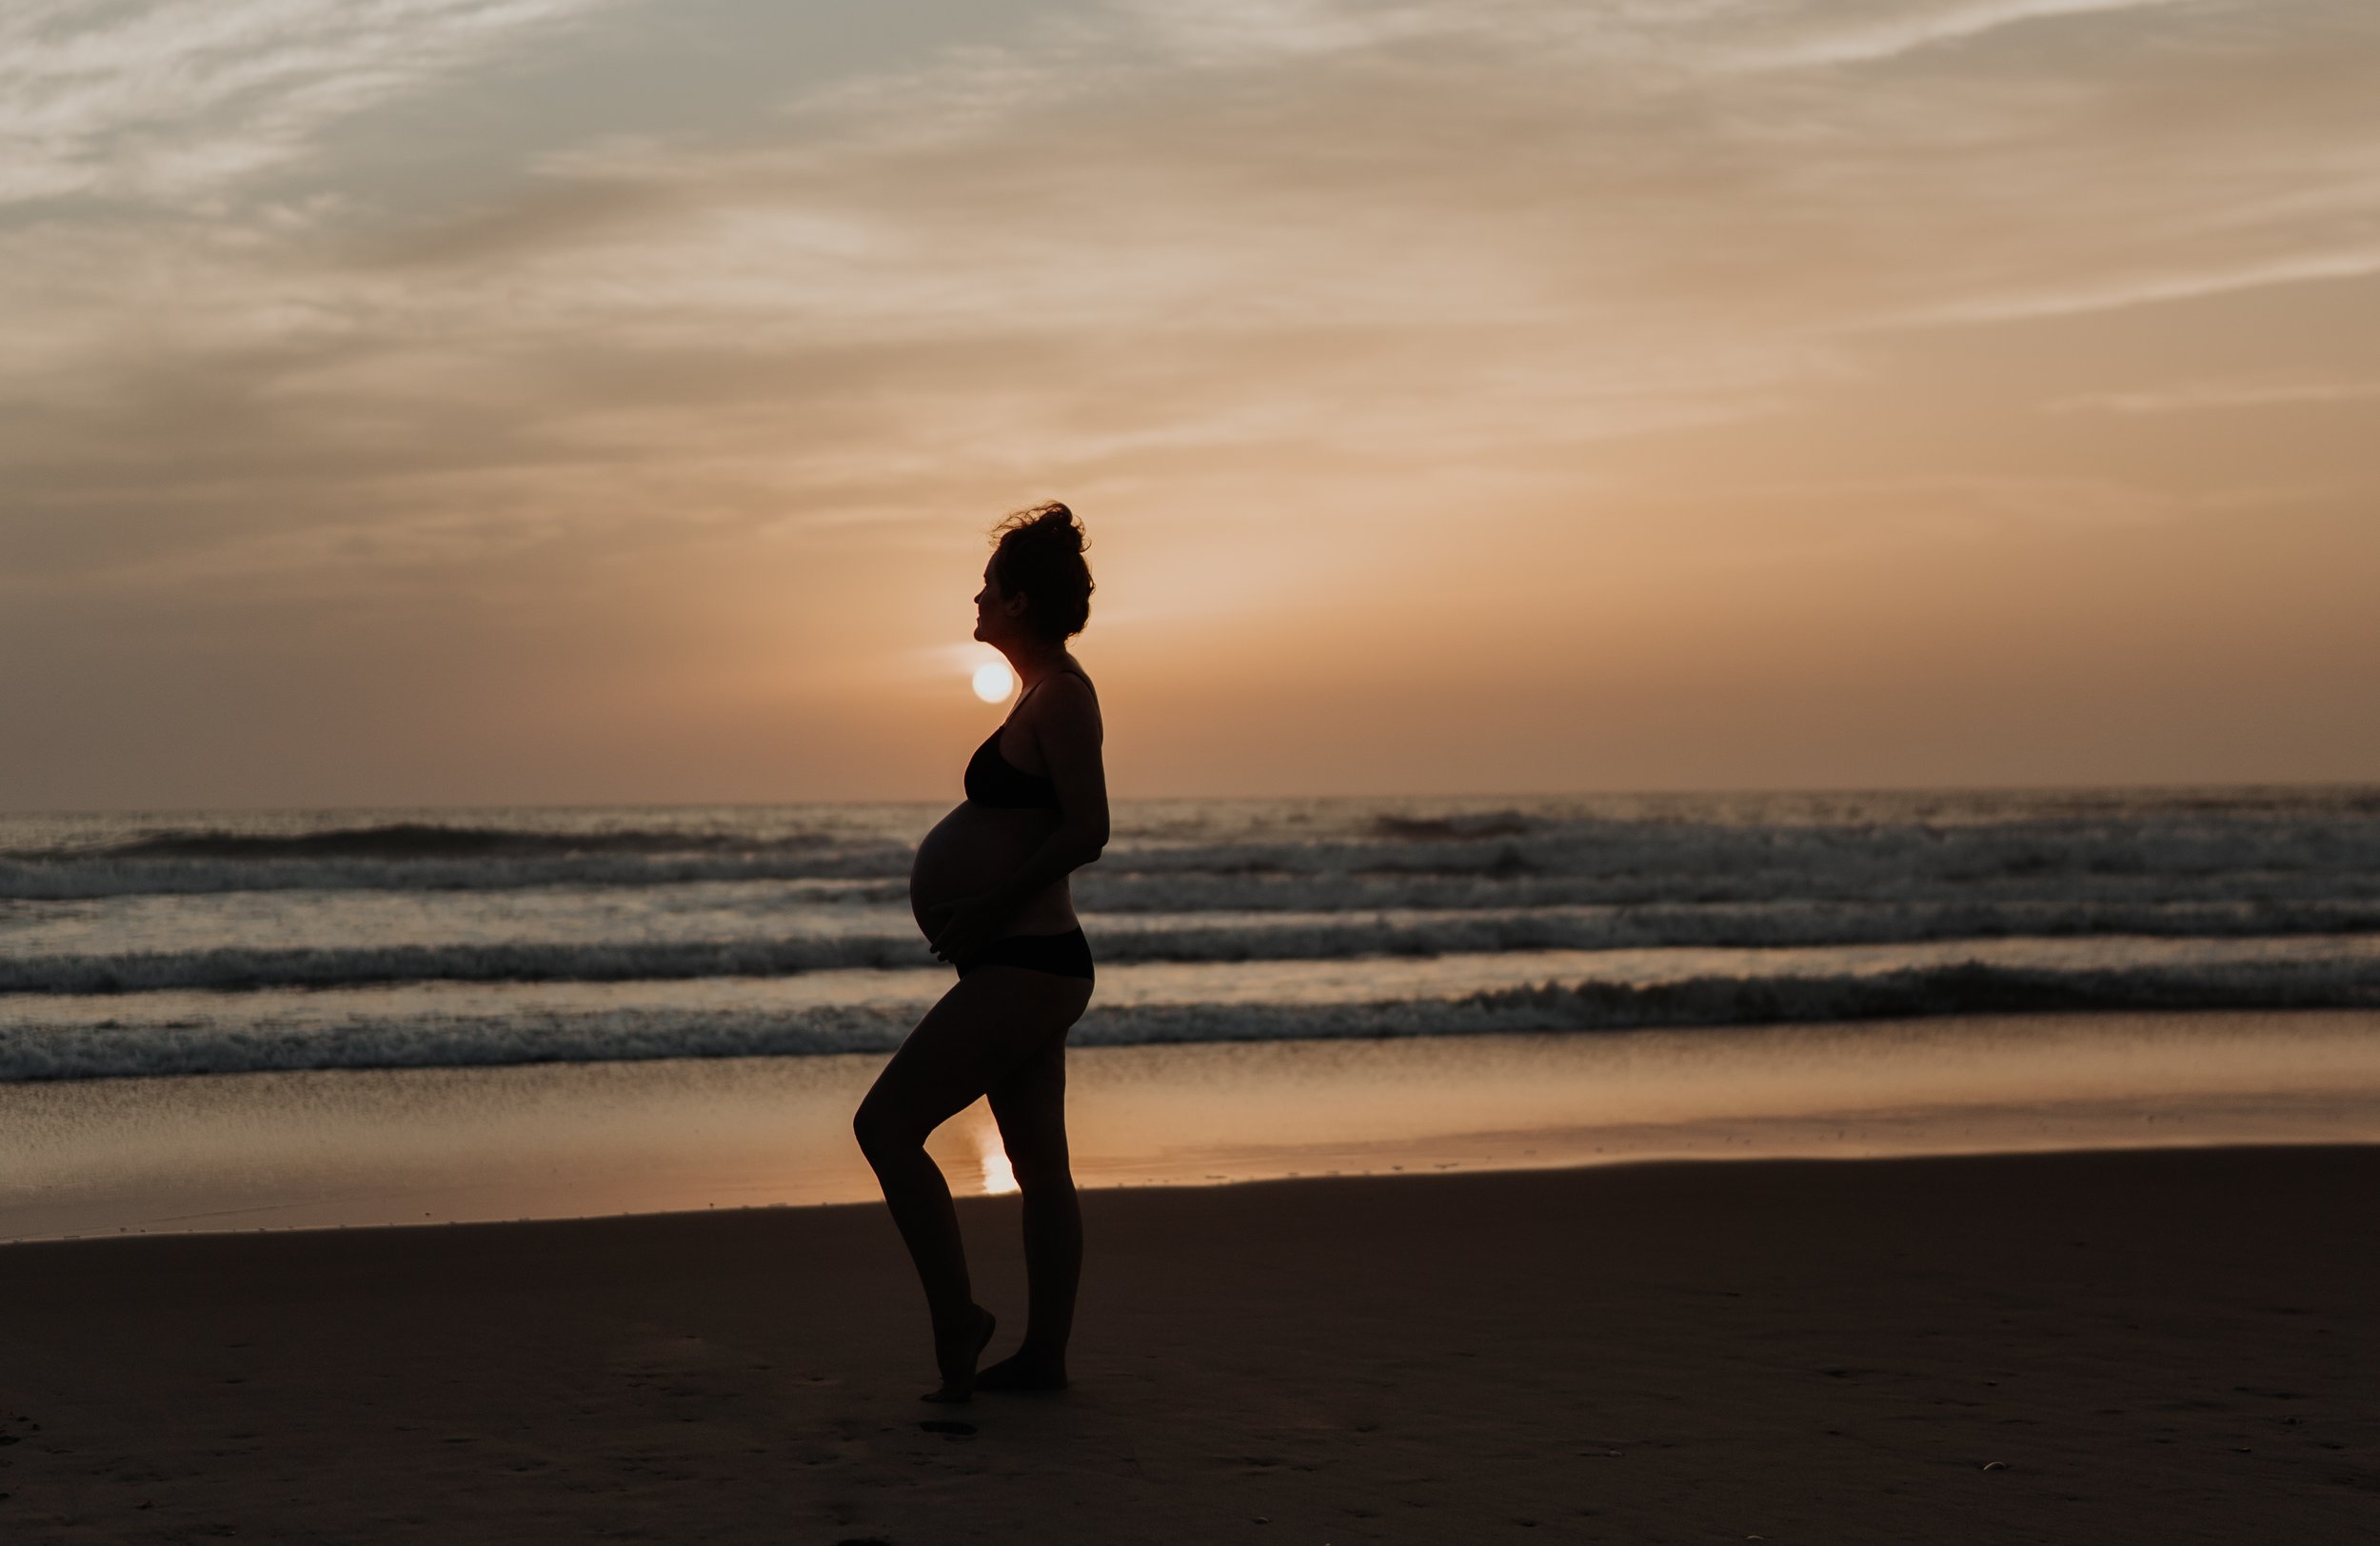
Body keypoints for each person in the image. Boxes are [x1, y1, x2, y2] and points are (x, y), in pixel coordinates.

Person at [853, 502, 1107, 1402]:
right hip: (1019, 963)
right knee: (1040, 1164)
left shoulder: (1065, 698)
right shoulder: (1039, 694)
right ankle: (1045, 1360)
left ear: (1022, 603)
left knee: (883, 1127)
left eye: (990, 586)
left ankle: (961, 1320)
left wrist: (983, 907)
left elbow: (1089, 828)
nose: (978, 596)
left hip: (1027, 964)